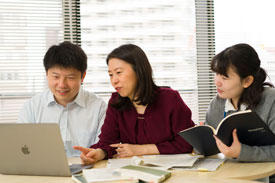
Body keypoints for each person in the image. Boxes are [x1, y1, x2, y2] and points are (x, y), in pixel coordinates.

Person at [74, 44, 195, 164]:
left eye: (119, 72)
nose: (114, 80)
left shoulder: (170, 99)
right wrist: (99, 153)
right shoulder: (116, 102)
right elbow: (108, 142)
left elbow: (187, 143)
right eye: (111, 75)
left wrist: (141, 150)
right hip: (134, 171)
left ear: (138, 70)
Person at [18, 41, 107, 157]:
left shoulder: (99, 107)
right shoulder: (32, 106)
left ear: (83, 76)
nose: (62, 85)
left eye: (70, 78)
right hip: (44, 171)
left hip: (86, 170)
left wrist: (96, 154)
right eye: (55, 77)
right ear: (46, 74)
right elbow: (21, 146)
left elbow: (103, 147)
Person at [205, 43, 275, 162]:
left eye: (224, 78)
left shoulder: (271, 100)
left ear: (247, 81)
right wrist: (202, 140)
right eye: (216, 74)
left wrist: (241, 152)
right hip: (230, 173)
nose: (217, 82)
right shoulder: (217, 103)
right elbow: (211, 149)